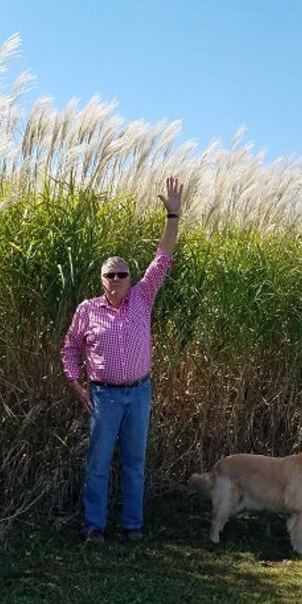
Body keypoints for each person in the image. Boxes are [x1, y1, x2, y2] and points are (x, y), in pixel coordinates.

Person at [60, 177, 184, 543]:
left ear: (131, 279)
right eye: (110, 274)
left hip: (139, 394)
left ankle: (133, 526)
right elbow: (69, 347)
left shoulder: (142, 298)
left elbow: (163, 257)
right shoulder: (87, 310)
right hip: (104, 396)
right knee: (97, 465)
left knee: (134, 464)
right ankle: (94, 527)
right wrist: (74, 382)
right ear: (101, 280)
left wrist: (172, 214)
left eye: (122, 274)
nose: (116, 279)